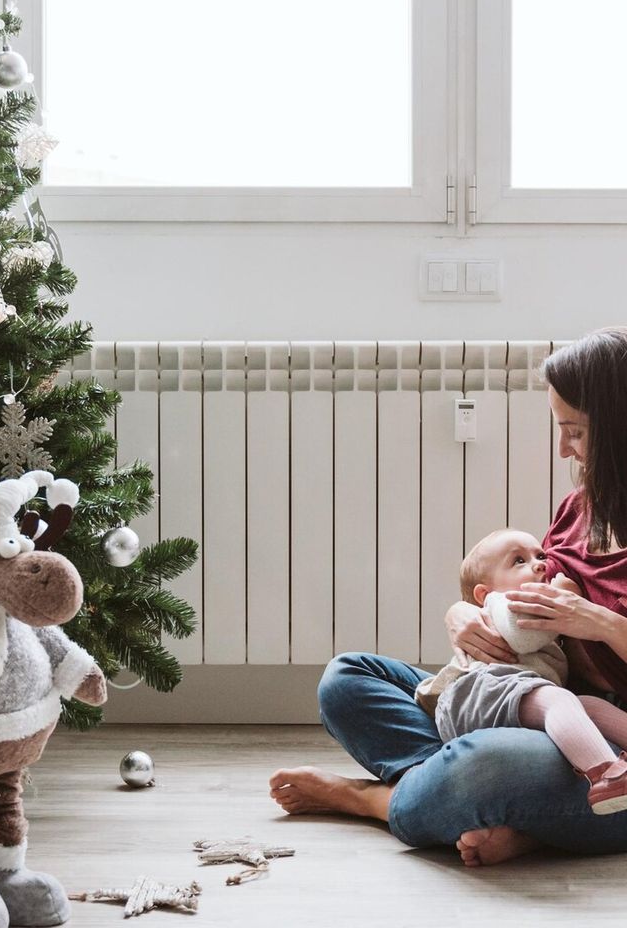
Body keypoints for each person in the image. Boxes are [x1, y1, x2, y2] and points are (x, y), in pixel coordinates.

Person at [269, 328, 627, 866]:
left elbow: (574, 616)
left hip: (601, 737)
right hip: (529, 699)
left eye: (574, 432)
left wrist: (599, 623)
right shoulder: (578, 510)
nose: (562, 450)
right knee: (346, 678)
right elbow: (522, 593)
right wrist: (462, 613)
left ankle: (379, 800)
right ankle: (504, 813)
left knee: (486, 761)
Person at [418, 527, 627, 814]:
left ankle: (438, 782)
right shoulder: (504, 602)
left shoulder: (508, 598)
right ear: (484, 593)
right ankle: (604, 773)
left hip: (520, 695)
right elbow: (522, 635)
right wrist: (561, 599)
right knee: (559, 701)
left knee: (586, 706)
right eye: (519, 561)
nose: (540, 564)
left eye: (540, 555)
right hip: (482, 691)